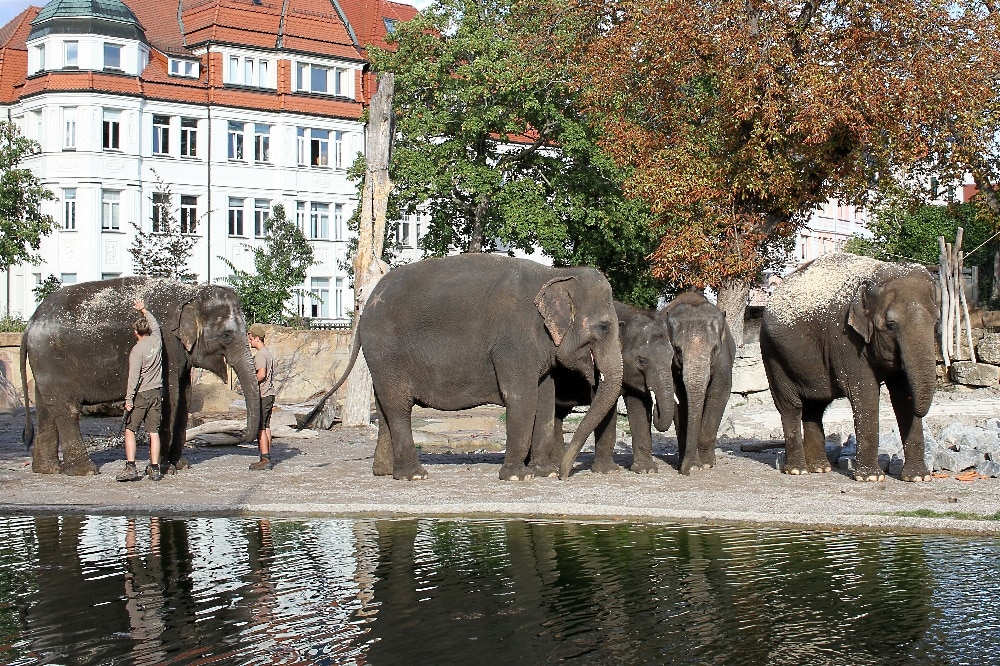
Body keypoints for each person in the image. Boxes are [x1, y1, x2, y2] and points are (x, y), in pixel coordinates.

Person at [117, 299, 164, 482]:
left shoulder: (137, 351)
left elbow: (133, 378)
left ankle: (131, 466)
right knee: (154, 432)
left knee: (130, 430)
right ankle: (154, 468)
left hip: (142, 394)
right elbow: (155, 324)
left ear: (136, 332)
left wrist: (128, 400)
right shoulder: (157, 340)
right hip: (156, 392)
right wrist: (144, 309)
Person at [247, 323, 276, 470]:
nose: (249, 342)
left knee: (261, 428)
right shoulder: (268, 353)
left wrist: (249, 383)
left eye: (251, 339)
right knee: (267, 426)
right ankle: (267, 455)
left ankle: (265, 459)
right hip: (270, 393)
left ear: (257, 338)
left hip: (263, 394)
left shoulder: (260, 355)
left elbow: (262, 374)